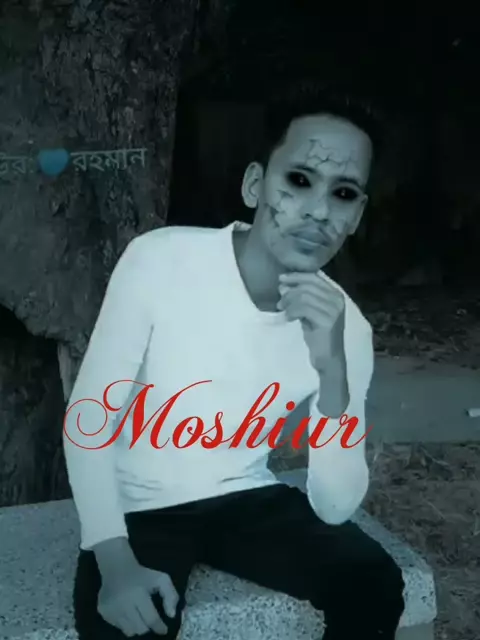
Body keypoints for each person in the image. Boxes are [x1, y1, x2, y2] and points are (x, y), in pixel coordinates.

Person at [64, 85, 405, 639]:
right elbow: (88, 417)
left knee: (373, 581)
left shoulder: (347, 327)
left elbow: (335, 506)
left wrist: (332, 374)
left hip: (244, 497)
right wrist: (114, 561)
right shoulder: (162, 260)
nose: (319, 211)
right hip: (137, 506)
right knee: (130, 624)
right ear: (254, 184)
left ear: (356, 214)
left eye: (343, 193)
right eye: (299, 180)